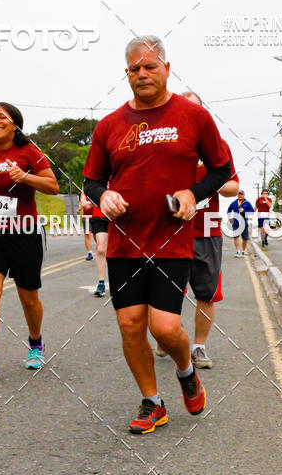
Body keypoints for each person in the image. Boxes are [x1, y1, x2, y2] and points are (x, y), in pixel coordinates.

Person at [83, 35, 230, 434]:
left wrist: (192, 193)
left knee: (164, 328)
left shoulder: (193, 117)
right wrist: (104, 194)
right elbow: (91, 179)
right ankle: (152, 402)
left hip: (171, 241)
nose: (142, 73)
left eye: (150, 66)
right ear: (126, 74)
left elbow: (222, 171)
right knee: (131, 325)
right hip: (124, 243)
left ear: (167, 68)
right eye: (135, 68)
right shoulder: (109, 125)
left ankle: (186, 372)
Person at [0, 102, 58, 378]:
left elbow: (52, 186)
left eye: (1, 117)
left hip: (23, 233)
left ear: (15, 123)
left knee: (28, 297)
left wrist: (26, 177)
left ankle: (35, 344)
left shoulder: (29, 152)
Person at [180, 91, 239, 370]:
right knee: (165, 291)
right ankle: (167, 337)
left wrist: (209, 183)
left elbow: (233, 186)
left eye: (195, 110)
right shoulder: (167, 143)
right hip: (170, 231)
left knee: (206, 293)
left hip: (207, 230)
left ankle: (199, 347)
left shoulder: (217, 145)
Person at [79, 191, 108, 294]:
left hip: (119, 216)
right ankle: (101, 283)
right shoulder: (96, 177)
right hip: (99, 216)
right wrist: (84, 202)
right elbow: (86, 191)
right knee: (100, 250)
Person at [227, 190, 253, 256]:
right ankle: (238, 251)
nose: (240, 195)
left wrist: (244, 211)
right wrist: (230, 217)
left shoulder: (247, 203)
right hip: (236, 223)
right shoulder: (233, 203)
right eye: (238, 194)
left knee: (245, 239)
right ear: (237, 195)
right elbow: (229, 210)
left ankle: (243, 251)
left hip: (244, 224)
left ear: (244, 195)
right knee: (236, 237)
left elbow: (252, 211)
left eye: (241, 194)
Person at [78, 193, 94, 260]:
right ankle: (90, 253)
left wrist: (92, 204)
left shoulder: (96, 190)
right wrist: (79, 208)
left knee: (97, 236)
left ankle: (101, 250)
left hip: (96, 216)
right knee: (87, 234)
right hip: (86, 217)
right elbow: (81, 201)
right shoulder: (84, 193)